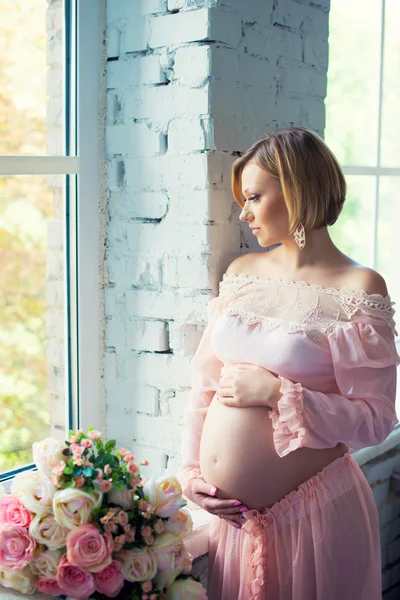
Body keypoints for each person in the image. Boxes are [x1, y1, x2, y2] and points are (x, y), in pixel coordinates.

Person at [178, 127, 400, 600]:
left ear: (296, 191)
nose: (244, 213)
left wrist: (277, 392)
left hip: (315, 518)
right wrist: (192, 472)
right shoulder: (241, 274)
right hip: (235, 527)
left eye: (255, 196)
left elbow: (377, 419)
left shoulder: (360, 289)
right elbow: (204, 385)